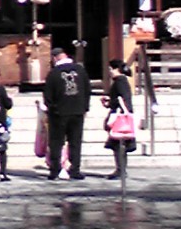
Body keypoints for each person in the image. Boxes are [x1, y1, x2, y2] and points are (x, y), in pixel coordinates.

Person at [43, 47, 91, 180]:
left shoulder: (53, 74)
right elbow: (87, 90)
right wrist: (85, 107)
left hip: (59, 113)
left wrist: (50, 109)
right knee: (75, 141)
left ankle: (55, 169)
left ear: (54, 58)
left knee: (56, 142)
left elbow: (48, 95)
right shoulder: (80, 70)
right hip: (77, 111)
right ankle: (75, 168)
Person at [102, 59, 136, 180]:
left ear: (116, 69)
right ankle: (120, 169)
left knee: (119, 144)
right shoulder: (121, 81)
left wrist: (111, 102)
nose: (110, 72)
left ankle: (121, 169)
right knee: (119, 145)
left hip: (120, 117)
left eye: (111, 69)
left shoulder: (120, 82)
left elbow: (122, 99)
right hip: (121, 115)